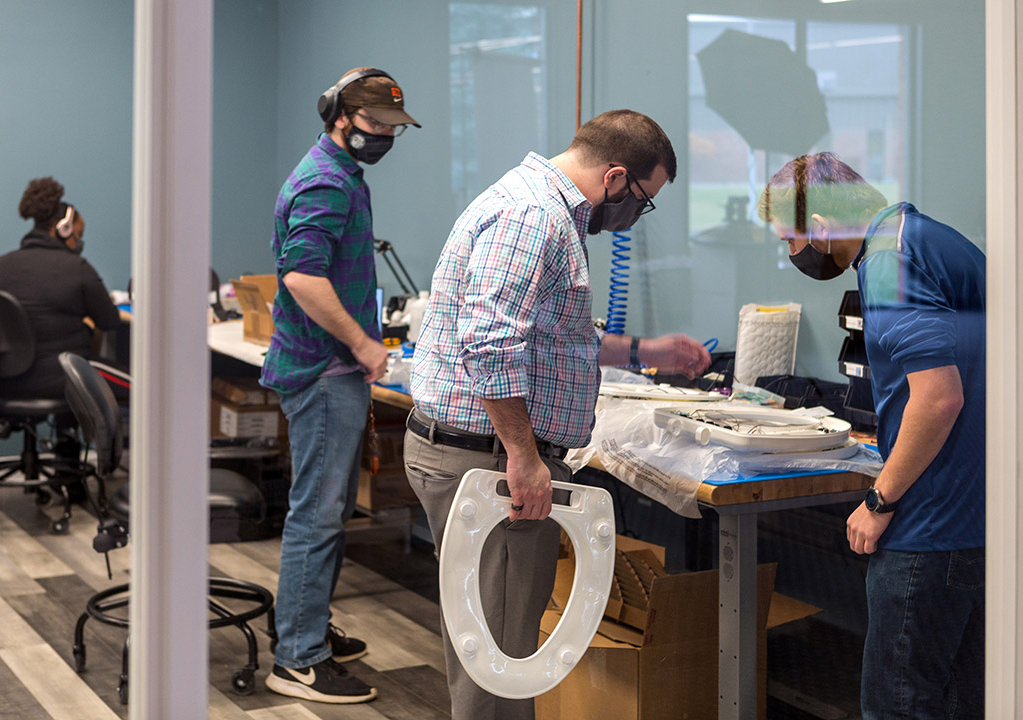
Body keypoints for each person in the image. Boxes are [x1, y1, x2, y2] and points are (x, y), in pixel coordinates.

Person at [406, 109, 711, 720]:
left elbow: (549, 334)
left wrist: (645, 351)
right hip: (490, 459)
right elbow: (491, 342)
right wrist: (522, 455)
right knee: (497, 663)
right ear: (617, 178)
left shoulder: (538, 207)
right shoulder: (534, 218)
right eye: (643, 201)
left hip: (486, 450)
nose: (632, 218)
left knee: (507, 646)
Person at [758, 152, 985, 719]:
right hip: (973, 514)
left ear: (824, 227)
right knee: (956, 700)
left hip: (930, 523)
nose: (792, 254)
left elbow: (938, 397)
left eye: (791, 239)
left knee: (898, 704)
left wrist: (879, 498)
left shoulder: (890, 261)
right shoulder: (925, 238)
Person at [259, 66, 420, 704]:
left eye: (392, 128)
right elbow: (301, 277)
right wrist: (362, 344)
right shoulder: (326, 182)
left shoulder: (338, 173)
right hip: (327, 370)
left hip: (325, 367)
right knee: (320, 515)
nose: (384, 135)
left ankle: (308, 626)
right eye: (376, 124)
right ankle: (298, 658)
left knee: (323, 511)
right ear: (340, 117)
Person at [0, 177, 123, 463]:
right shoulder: (77, 268)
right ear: (63, 229)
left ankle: (66, 466)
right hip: (60, 383)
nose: (78, 243)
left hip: (1, 384)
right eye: (76, 236)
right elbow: (110, 321)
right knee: (139, 386)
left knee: (69, 368)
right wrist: (88, 325)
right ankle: (86, 471)